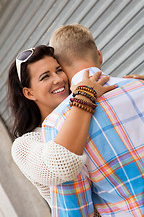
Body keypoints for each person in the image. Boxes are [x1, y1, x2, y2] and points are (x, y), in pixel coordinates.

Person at [42, 24, 144, 216]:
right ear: (99, 56)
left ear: (61, 69)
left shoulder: (57, 123)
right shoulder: (139, 85)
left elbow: (74, 210)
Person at [9, 45, 115, 212]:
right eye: (45, 77)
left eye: (58, 70)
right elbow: (62, 164)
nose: (58, 79)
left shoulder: (90, 107)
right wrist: (84, 95)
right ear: (29, 93)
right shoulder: (24, 146)